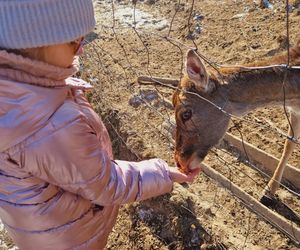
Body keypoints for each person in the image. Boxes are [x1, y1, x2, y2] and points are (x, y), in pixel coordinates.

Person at [0, 0, 200, 249]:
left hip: (38, 230)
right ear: (35, 41)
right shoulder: (51, 125)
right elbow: (105, 184)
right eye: (75, 41)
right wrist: (162, 173)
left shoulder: (18, 91)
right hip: (72, 238)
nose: (81, 50)